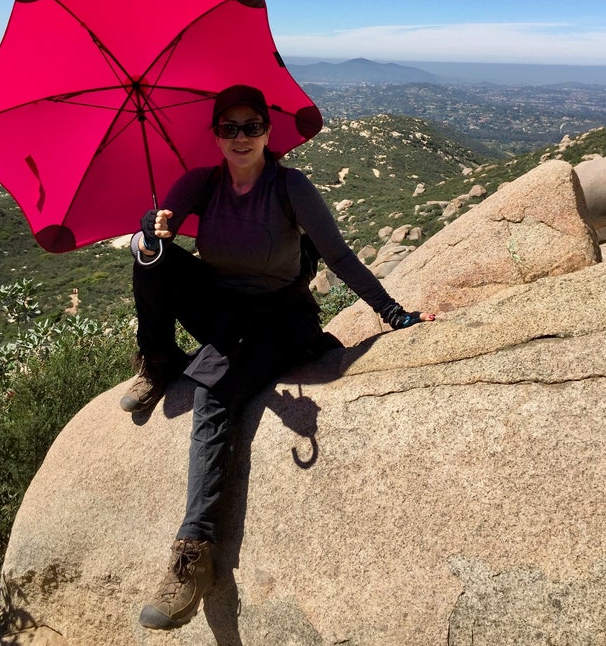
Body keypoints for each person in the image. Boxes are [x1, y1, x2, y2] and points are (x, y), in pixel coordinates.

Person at [123, 84, 435, 630]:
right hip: (222, 310)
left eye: (251, 126)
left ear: (268, 131)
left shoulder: (290, 187)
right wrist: (147, 236)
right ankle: (158, 361)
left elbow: (337, 255)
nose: (240, 137)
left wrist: (394, 313)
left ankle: (193, 553)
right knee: (153, 262)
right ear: (216, 134)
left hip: (278, 318)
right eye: (229, 127)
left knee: (215, 395)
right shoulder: (201, 182)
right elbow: (154, 237)